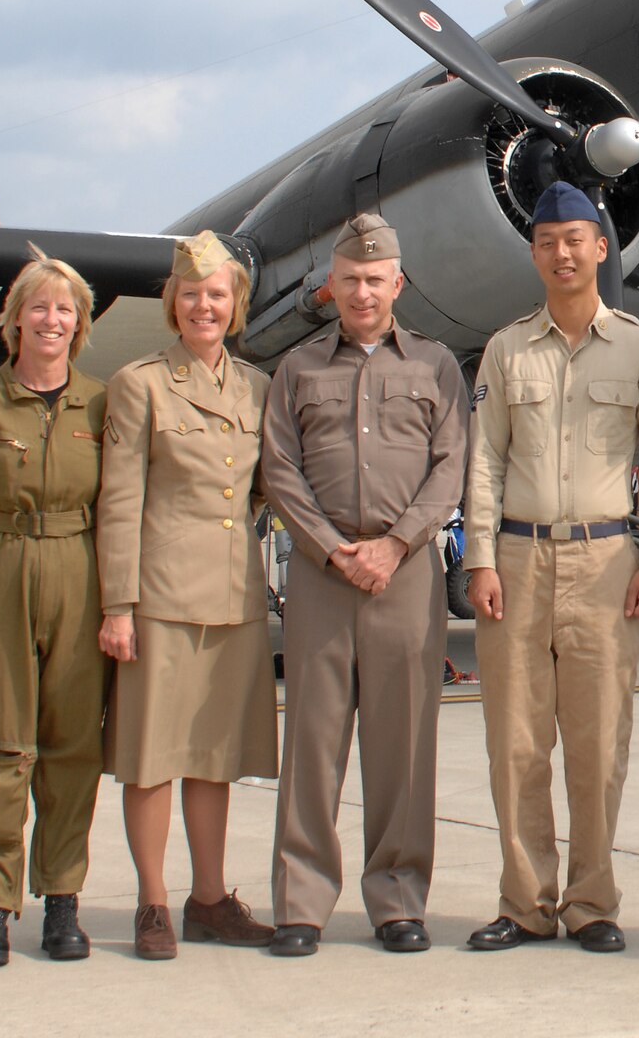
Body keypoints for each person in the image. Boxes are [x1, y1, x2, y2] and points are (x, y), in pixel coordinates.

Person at [461, 182, 639, 955]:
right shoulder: (504, 348)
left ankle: (592, 902)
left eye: (575, 238)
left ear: (600, 248)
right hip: (516, 563)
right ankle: (525, 903)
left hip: (605, 563)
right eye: (547, 240)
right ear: (534, 253)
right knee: (516, 743)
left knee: (596, 743)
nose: (562, 252)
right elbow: (483, 461)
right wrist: (478, 557)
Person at [260, 213, 468, 956]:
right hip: (323, 576)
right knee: (311, 745)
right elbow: (279, 470)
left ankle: (398, 900)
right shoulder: (299, 369)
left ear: (397, 283)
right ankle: (301, 904)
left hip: (406, 575)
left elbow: (451, 467)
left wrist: (394, 545)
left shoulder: (436, 366)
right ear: (331, 286)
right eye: (349, 279)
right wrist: (331, 549)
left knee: (403, 745)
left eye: (375, 279)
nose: (362, 291)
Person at [96, 231, 277, 960]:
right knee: (150, 758)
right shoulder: (138, 383)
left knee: (213, 756)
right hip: (161, 597)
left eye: (218, 295)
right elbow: (119, 500)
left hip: (234, 596)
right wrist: (117, 605)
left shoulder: (257, 388)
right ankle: (153, 903)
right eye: (193, 294)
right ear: (174, 303)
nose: (205, 306)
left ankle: (209, 898)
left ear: (235, 306)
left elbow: (274, 489)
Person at [0, 248, 107, 967]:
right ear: (14, 319)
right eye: (38, 306)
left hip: (78, 564)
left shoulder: (100, 403)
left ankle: (62, 902)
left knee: (72, 748)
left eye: (64, 308)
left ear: (80, 323)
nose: (50, 319)